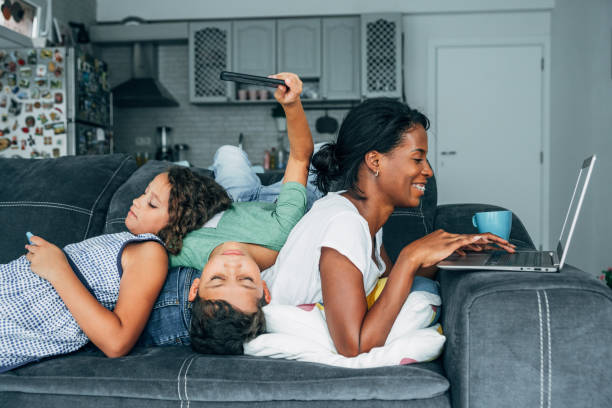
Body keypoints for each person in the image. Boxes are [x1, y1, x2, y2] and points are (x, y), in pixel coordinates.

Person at [258, 98, 516, 357]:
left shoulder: (366, 220)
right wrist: (410, 256)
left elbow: (389, 287)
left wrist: (446, 253)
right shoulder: (344, 224)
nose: (428, 171)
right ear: (375, 161)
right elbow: (354, 345)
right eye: (417, 159)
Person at [0, 166, 231, 372]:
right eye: (144, 193)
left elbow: (116, 342)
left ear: (178, 225)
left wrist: (57, 268)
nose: (138, 201)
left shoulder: (151, 253)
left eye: (152, 204)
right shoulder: (127, 240)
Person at [168, 72, 314, 355]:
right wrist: (292, 104)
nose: (232, 267)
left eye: (218, 279)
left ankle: (253, 174)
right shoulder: (281, 235)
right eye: (247, 280)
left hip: (229, 202)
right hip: (274, 208)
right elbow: (299, 157)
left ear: (195, 286)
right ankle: (268, 180)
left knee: (228, 154)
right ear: (265, 290)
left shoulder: (180, 252)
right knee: (320, 157)